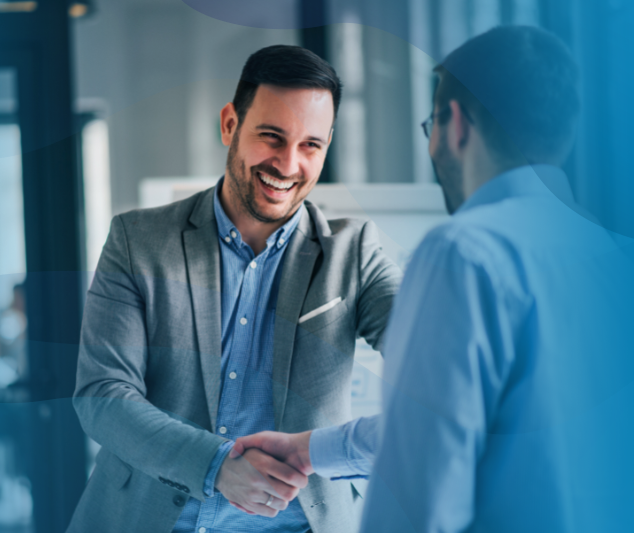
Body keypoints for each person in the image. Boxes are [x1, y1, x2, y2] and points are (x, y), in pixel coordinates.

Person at [232, 26, 634, 532]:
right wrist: (309, 449)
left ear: (457, 125)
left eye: (431, 126)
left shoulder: (465, 254)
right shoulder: (618, 258)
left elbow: (420, 485)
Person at [68, 45, 402, 533]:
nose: (288, 165)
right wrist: (216, 465)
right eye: (271, 136)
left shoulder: (355, 253)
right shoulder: (138, 241)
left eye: (311, 145)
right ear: (230, 125)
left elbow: (440, 370)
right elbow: (102, 394)